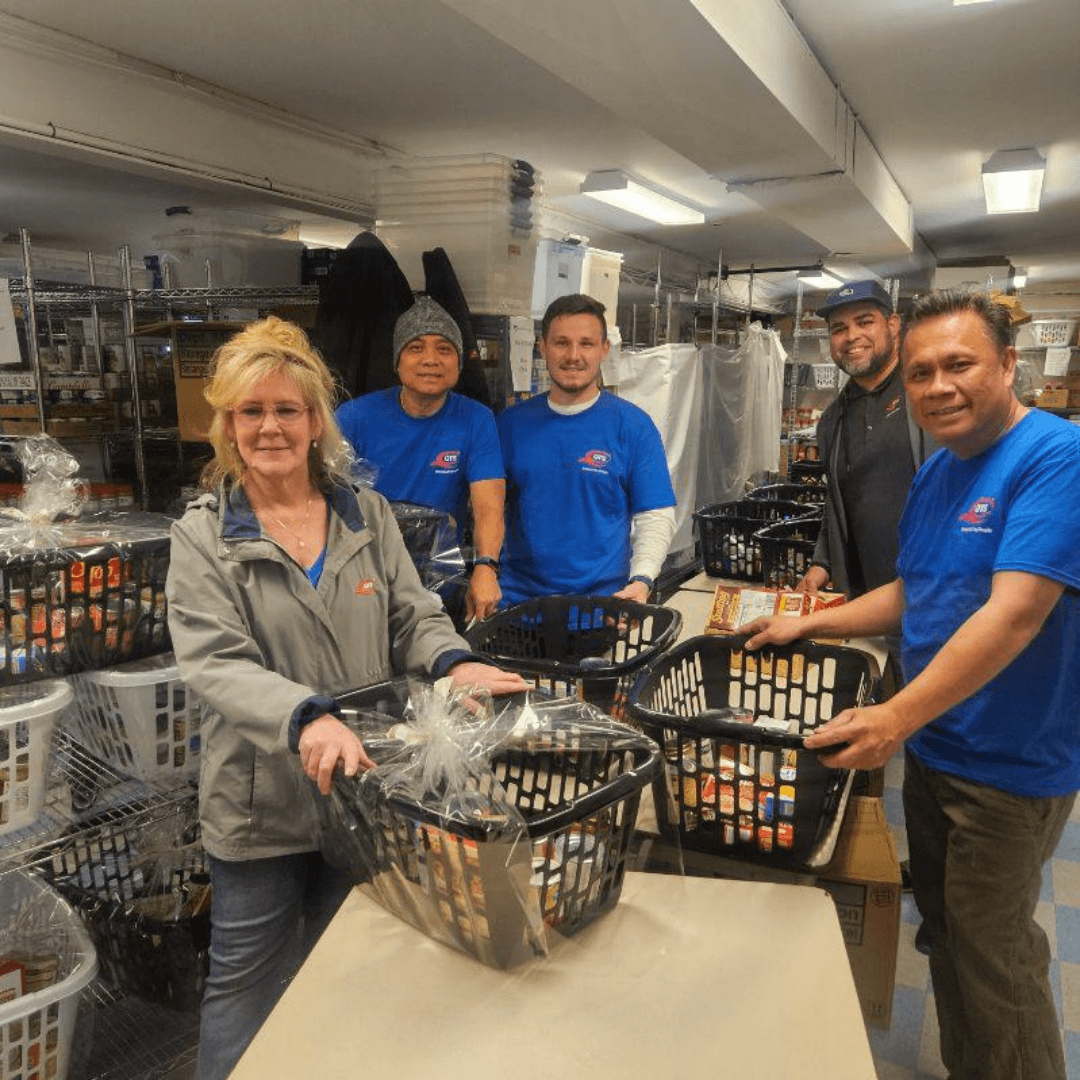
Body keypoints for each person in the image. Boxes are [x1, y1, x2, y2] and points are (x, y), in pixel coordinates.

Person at [165, 316, 527, 1080]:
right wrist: (306, 715)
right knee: (246, 984)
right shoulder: (203, 538)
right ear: (227, 427)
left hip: (366, 790)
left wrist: (453, 662)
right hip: (262, 803)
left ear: (316, 420)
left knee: (355, 965)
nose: (270, 427)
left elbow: (413, 614)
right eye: (251, 412)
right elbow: (216, 662)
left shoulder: (366, 513)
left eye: (287, 410)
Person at [741, 289, 1080, 1080]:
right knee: (951, 936)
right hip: (937, 749)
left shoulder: (1053, 458)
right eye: (923, 371)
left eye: (959, 364)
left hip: (1009, 761)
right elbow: (912, 591)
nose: (938, 385)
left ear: (1008, 364)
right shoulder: (939, 474)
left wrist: (893, 716)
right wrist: (810, 621)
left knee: (995, 955)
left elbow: (1015, 614)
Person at [496, 293, 676, 606]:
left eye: (587, 344)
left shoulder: (633, 426)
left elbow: (655, 515)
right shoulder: (509, 425)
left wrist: (642, 578)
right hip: (518, 607)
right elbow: (489, 510)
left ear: (604, 349)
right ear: (542, 347)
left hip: (604, 607)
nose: (573, 355)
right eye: (561, 343)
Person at [798, 280, 937, 682]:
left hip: (934, 598)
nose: (851, 336)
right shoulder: (833, 420)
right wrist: (822, 564)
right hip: (870, 604)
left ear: (893, 325)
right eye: (839, 328)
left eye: (864, 321)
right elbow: (840, 503)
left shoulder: (926, 396)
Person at [335, 296, 505, 621]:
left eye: (444, 349)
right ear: (397, 362)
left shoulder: (476, 419)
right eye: (416, 348)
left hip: (440, 583)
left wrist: (486, 568)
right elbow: (323, 499)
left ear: (459, 363)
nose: (430, 360)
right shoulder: (354, 417)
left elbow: (489, 505)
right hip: (366, 575)